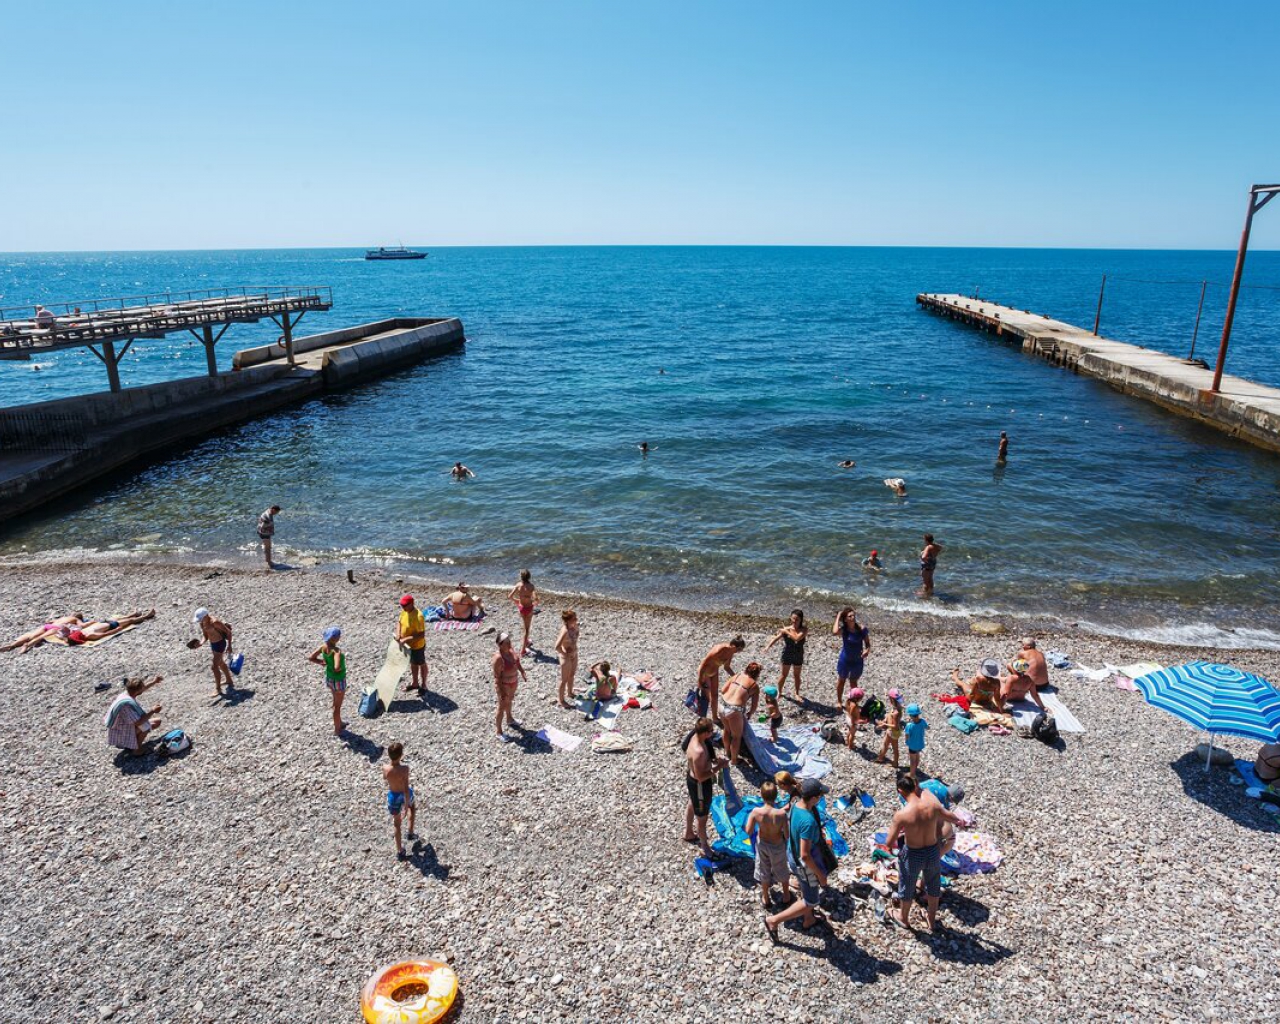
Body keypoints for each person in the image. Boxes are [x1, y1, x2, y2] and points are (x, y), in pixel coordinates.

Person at [881, 771, 962, 932]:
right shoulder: (933, 805)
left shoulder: (902, 814)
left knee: (907, 885)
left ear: (900, 791)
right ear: (916, 786)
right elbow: (953, 818)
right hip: (933, 851)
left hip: (913, 853)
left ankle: (903, 918)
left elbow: (889, 842)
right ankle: (931, 920)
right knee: (933, 884)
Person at [764, 778, 833, 941]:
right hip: (804, 864)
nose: (822, 798)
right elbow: (805, 855)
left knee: (806, 887)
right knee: (811, 900)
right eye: (820, 796)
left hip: (792, 855)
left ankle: (808, 919)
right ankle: (773, 921)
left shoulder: (796, 806)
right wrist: (820, 875)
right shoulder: (808, 822)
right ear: (814, 798)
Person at [682, 717, 727, 858]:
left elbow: (684, 748)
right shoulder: (699, 751)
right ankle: (705, 848)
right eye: (711, 731)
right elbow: (701, 776)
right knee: (702, 818)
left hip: (691, 781)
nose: (713, 733)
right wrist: (719, 766)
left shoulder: (694, 736)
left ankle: (688, 832)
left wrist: (712, 760)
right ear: (705, 732)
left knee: (692, 802)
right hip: (700, 784)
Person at [746, 780, 793, 910]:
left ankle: (766, 897)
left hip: (763, 845)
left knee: (763, 869)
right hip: (777, 845)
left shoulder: (756, 812)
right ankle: (786, 895)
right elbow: (787, 835)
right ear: (776, 795)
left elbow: (748, 830)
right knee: (782, 868)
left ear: (761, 795)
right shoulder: (781, 814)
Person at [718, 662, 762, 767]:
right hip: (734, 709)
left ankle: (727, 753)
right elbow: (754, 706)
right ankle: (734, 760)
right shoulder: (754, 686)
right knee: (736, 737)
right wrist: (750, 713)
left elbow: (723, 690)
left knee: (726, 730)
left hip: (722, 705)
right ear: (757, 674)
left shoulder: (736, 676)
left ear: (746, 669)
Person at [105, 675, 163, 754]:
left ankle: (132, 742)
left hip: (124, 727)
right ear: (137, 691)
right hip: (120, 735)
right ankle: (136, 750)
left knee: (156, 722)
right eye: (141, 687)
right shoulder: (126, 705)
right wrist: (152, 711)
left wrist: (154, 681)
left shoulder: (126, 694)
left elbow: (143, 688)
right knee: (145, 726)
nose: (143, 688)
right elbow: (139, 722)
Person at [308, 626, 347, 735]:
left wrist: (321, 662)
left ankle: (340, 722)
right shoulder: (336, 651)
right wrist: (339, 668)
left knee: (335, 701)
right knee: (337, 706)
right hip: (338, 680)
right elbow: (337, 667)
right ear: (334, 638)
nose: (340, 637)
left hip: (329, 679)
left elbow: (311, 657)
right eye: (339, 635)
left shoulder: (323, 647)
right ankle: (337, 729)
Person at [696, 636, 745, 721]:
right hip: (705, 672)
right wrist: (699, 680)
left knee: (715, 696)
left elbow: (727, 667)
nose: (739, 652)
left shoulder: (731, 653)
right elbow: (704, 664)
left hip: (714, 672)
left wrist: (736, 677)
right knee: (707, 697)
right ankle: (702, 717)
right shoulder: (719, 650)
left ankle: (714, 717)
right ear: (734, 646)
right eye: (739, 650)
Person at [384, 740, 417, 859]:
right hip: (403, 794)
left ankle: (399, 850)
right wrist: (407, 802)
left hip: (393, 796)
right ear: (401, 755)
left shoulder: (385, 768)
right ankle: (410, 832)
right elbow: (406, 788)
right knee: (412, 808)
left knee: (397, 823)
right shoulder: (405, 769)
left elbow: (385, 778)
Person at [764, 609, 807, 698]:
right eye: (793, 619)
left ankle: (797, 693)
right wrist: (768, 646)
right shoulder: (786, 629)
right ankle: (779, 692)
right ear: (790, 618)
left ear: (801, 620)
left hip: (798, 654)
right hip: (787, 654)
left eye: (797, 619)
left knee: (797, 676)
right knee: (784, 675)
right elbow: (776, 638)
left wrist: (786, 631)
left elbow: (796, 638)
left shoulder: (804, 630)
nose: (795, 621)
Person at [833, 607, 871, 707]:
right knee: (841, 680)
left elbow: (867, 643)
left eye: (854, 615)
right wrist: (838, 616)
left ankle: (853, 702)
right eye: (850, 616)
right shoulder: (844, 630)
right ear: (845, 619)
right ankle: (839, 701)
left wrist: (867, 650)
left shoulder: (862, 629)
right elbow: (834, 632)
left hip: (857, 661)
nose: (853, 617)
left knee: (853, 681)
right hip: (845, 660)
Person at [492, 632, 527, 740]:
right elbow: (497, 677)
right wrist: (501, 691)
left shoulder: (511, 651)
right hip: (504, 685)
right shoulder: (498, 658)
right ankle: (498, 732)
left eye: (509, 641)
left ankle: (510, 719)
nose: (509, 643)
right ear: (500, 644)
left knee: (510, 700)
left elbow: (517, 662)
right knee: (502, 706)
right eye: (506, 642)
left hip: (513, 682)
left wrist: (522, 672)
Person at [193, 607, 234, 697]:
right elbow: (205, 636)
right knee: (221, 663)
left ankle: (218, 689)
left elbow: (228, 632)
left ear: (206, 616)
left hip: (220, 644)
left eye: (201, 619)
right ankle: (229, 680)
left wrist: (229, 646)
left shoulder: (215, 622)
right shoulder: (202, 624)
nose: (200, 621)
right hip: (213, 644)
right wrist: (201, 643)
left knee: (214, 667)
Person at [63, 609, 156, 645]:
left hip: (103, 623)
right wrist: (116, 630)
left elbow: (66, 639)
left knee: (122, 618)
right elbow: (104, 634)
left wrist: (66, 638)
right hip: (110, 626)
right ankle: (147, 616)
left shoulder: (80, 633)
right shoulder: (89, 636)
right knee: (129, 621)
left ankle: (134, 614)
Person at [2, 613, 85, 653]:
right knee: (41, 637)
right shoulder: (75, 619)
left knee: (30, 635)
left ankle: (12, 645)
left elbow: (50, 621)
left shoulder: (64, 617)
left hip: (48, 625)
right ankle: (27, 645)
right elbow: (82, 625)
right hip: (56, 628)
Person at [395, 595, 429, 694]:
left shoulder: (419, 616)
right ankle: (415, 683)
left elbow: (421, 635)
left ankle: (424, 685)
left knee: (421, 663)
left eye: (405, 605)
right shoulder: (404, 612)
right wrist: (398, 634)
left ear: (412, 603)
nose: (403, 607)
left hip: (417, 645)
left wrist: (406, 639)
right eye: (401, 605)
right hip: (407, 645)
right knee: (413, 663)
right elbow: (399, 623)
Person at [508, 569, 537, 655]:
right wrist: (533, 603)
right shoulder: (531, 586)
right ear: (529, 577)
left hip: (521, 608)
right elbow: (536, 599)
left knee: (525, 626)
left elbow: (509, 596)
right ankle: (523, 651)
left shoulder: (518, 585)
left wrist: (517, 601)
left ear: (521, 577)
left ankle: (527, 641)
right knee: (527, 630)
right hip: (528, 608)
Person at [555, 609, 579, 708]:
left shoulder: (575, 626)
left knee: (572, 675)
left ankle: (570, 692)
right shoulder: (564, 631)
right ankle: (561, 700)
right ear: (568, 620)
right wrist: (565, 653)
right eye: (574, 618)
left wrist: (573, 649)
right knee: (564, 680)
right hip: (566, 657)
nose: (576, 619)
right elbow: (557, 646)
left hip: (574, 654)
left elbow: (575, 638)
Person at [876, 688, 904, 768]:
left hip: (894, 732)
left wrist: (884, 724)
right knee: (885, 743)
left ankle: (895, 763)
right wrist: (885, 720)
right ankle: (880, 758)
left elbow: (895, 726)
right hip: (890, 731)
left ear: (891, 699)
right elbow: (889, 715)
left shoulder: (896, 712)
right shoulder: (896, 707)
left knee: (895, 749)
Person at [904, 703, 928, 781]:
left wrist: (906, 741)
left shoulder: (909, 725)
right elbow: (927, 727)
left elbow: (907, 735)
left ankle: (912, 774)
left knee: (912, 760)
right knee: (917, 756)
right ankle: (915, 769)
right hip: (920, 744)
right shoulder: (922, 721)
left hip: (912, 745)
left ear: (910, 715)